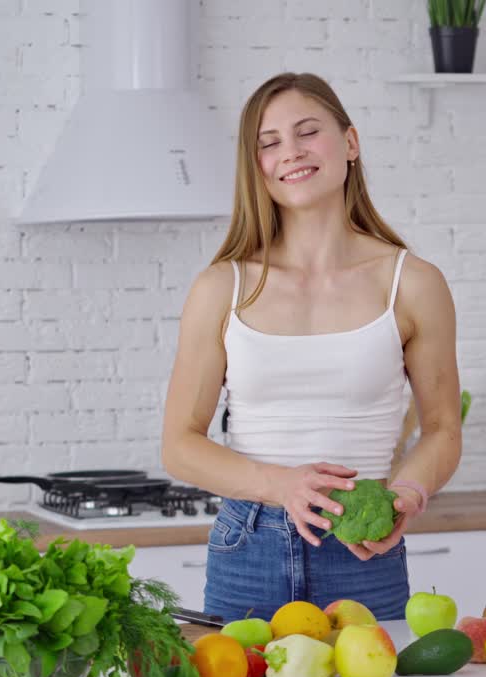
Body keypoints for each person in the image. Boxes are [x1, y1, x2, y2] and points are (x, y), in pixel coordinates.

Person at [161, 72, 462, 622]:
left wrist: (409, 493)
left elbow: (442, 429)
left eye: (307, 132)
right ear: (256, 166)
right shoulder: (221, 287)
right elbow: (179, 444)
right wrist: (283, 485)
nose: (291, 153)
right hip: (248, 543)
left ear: (350, 143)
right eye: (268, 142)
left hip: (361, 547)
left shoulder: (413, 282)